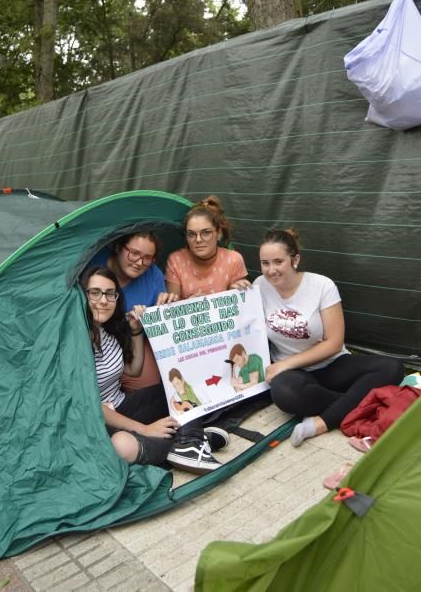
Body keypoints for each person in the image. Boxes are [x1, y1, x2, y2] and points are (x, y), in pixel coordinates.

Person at [253, 228, 404, 447]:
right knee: (284, 393)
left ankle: (323, 421)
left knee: (392, 367)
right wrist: (236, 289)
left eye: (278, 262)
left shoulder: (322, 286)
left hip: (331, 365)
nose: (271, 270)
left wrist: (284, 365)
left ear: (295, 259)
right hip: (296, 376)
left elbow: (334, 343)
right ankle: (360, 403)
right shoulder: (259, 286)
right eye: (265, 263)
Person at [80, 265, 226, 473]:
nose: (103, 300)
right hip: (98, 422)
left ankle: (191, 440)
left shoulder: (106, 329)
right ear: (81, 296)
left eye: (110, 294)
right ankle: (190, 441)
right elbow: (92, 404)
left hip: (122, 405)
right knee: (123, 446)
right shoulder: (77, 339)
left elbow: (133, 370)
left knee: (179, 386)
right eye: (95, 293)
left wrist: (136, 330)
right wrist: (145, 429)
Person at [90, 231, 177, 390]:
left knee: (148, 385)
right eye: (134, 253)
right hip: (91, 342)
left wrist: (168, 306)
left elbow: (160, 323)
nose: (139, 262)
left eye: (147, 258)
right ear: (118, 247)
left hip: (130, 342)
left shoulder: (154, 276)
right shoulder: (93, 261)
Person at [165, 196, 250, 299]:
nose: (198, 239)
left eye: (206, 233)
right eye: (191, 234)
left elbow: (240, 307)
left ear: (218, 233)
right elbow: (172, 306)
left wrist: (236, 293)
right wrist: (188, 305)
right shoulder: (176, 260)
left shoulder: (234, 260)